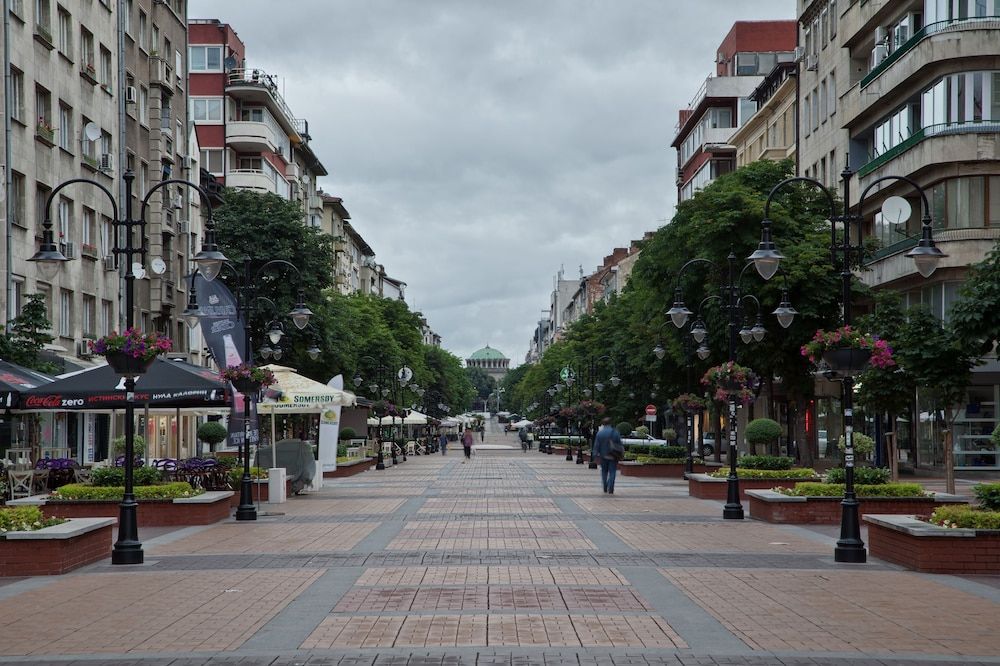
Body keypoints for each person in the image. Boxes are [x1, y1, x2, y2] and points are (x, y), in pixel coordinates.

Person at [592, 417, 623, 494]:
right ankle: (611, 487)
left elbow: (596, 445)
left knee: (604, 471)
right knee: (612, 472)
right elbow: (620, 444)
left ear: (603, 424)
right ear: (610, 423)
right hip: (613, 455)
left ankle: (605, 486)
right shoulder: (615, 432)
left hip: (603, 456)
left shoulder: (600, 433)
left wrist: (595, 455)